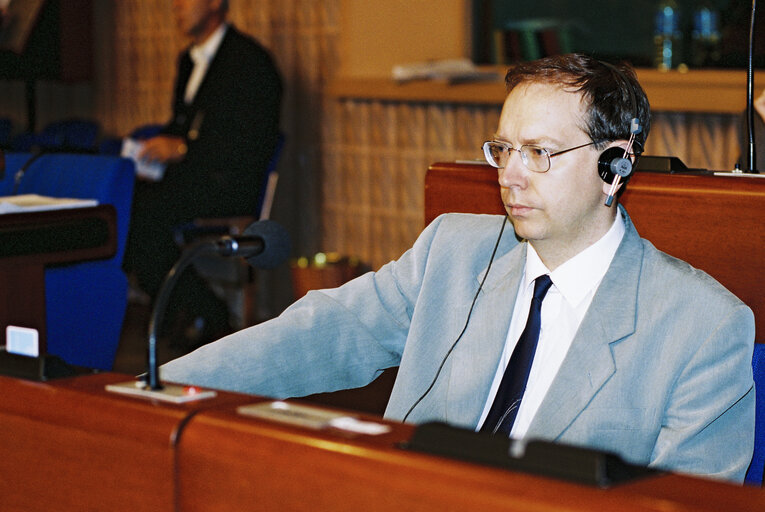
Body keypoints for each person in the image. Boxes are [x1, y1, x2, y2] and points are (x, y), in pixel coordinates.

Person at [161, 54, 755, 482]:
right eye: (503, 149)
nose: (510, 176)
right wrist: (155, 391)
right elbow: (324, 331)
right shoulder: (453, 251)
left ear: (615, 166)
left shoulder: (703, 326)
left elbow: (691, 504)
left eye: (540, 153)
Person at [123, 0, 282, 345]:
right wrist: (156, 148)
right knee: (123, 199)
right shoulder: (187, 60)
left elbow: (248, 143)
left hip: (229, 184)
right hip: (190, 179)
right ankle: (185, 309)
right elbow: (185, 124)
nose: (176, 6)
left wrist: (182, 149)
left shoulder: (249, 62)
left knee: (142, 211)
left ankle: (204, 312)